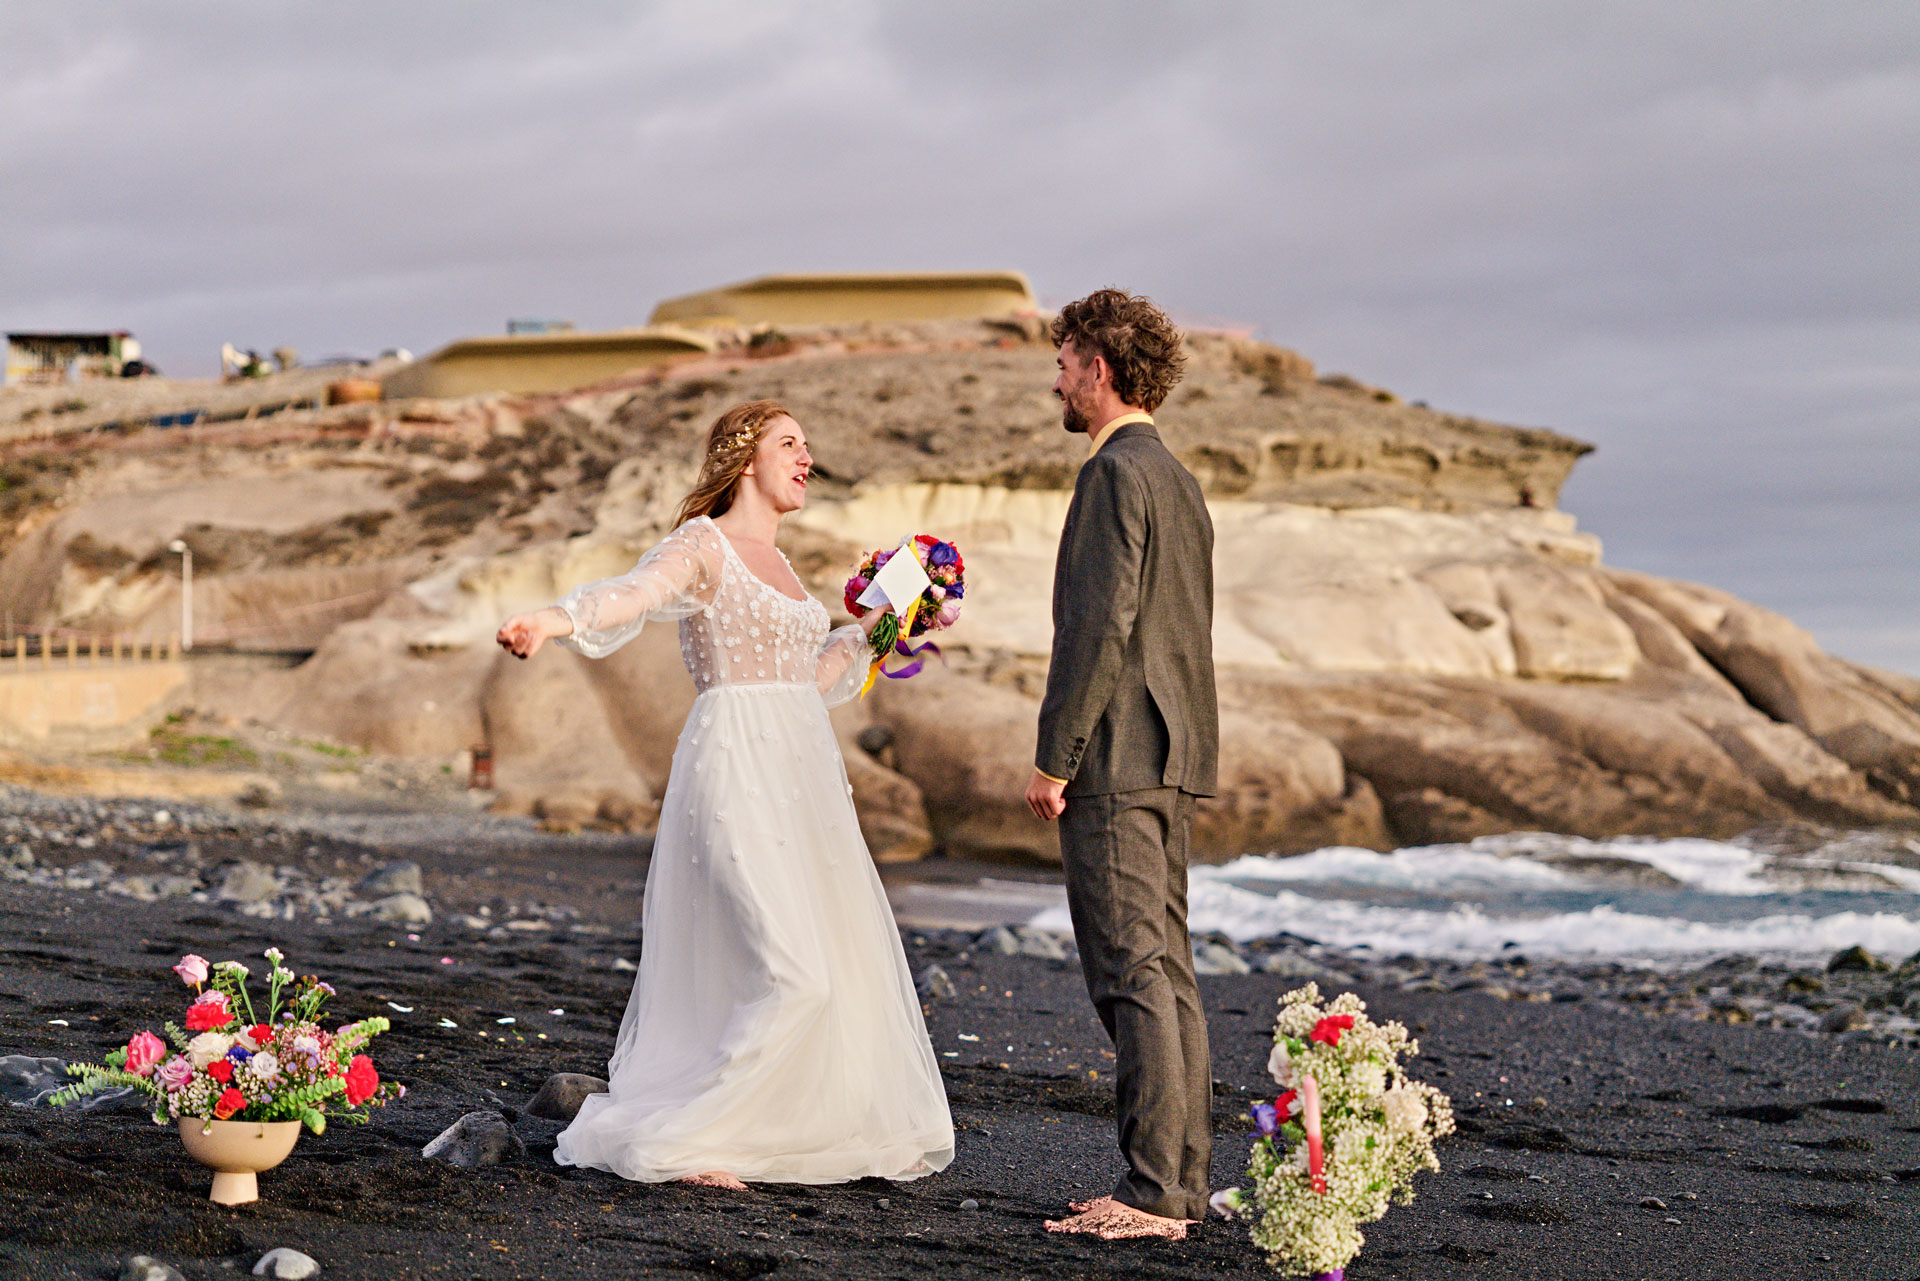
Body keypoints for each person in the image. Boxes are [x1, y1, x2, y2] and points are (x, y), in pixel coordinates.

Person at [495, 399, 954, 1190]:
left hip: (803, 773)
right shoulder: (704, 542)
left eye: (809, 445)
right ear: (744, 459)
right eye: (788, 443)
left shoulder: (788, 569)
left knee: (831, 958)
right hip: (736, 764)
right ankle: (696, 1133)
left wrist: (881, 624)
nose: (806, 456)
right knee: (793, 968)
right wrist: (555, 617)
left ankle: (808, 1125)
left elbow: (805, 680)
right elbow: (634, 593)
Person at [1024, 289, 1219, 1241]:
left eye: (1064, 360)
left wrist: (1054, 759)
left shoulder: (1111, 477)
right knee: (1167, 969)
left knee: (1132, 971)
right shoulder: (1177, 477)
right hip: (1174, 753)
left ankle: (1151, 1195)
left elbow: (1099, 629)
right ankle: (1179, 1188)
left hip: (1117, 756)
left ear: (1099, 369)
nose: (1055, 376)